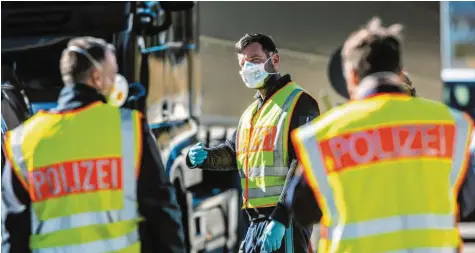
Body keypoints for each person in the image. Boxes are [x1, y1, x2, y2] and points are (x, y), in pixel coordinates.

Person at [285, 18, 475, 253]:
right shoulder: (448, 123)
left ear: (352, 76)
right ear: (398, 71)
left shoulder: (327, 134)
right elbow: (466, 200)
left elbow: (301, 209)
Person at [1, 36, 186, 253]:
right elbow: (160, 212)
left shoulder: (25, 140)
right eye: (112, 74)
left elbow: (13, 230)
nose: (116, 81)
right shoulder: (128, 129)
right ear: (97, 78)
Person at [186, 33, 320, 252]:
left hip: (285, 221)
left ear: (274, 60)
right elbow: (233, 152)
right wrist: (204, 157)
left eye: (255, 60)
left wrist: (281, 218)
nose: (248, 68)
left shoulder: (299, 102)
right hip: (255, 221)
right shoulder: (251, 112)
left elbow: (303, 162)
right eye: (243, 64)